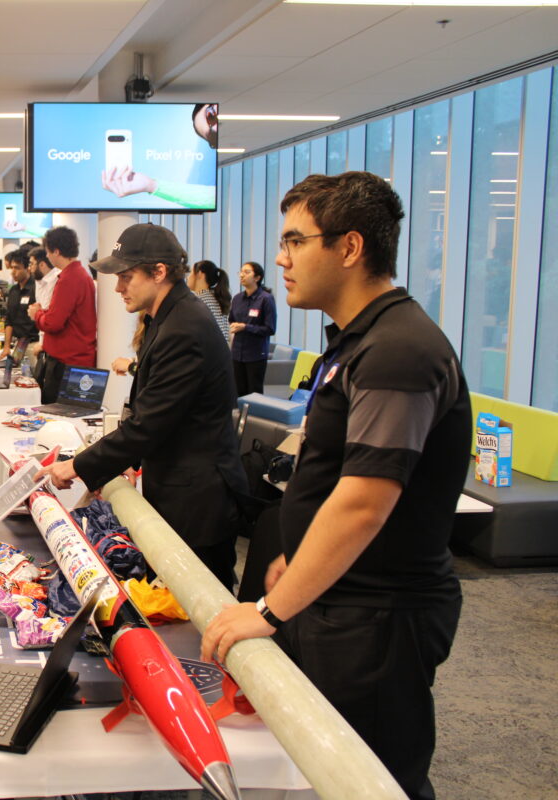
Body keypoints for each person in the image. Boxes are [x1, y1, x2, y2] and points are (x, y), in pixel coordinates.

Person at [202, 172, 471, 800]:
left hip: (378, 618)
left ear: (349, 248)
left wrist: (270, 610)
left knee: (371, 780)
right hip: (341, 600)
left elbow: (364, 503)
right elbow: (334, 478)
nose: (279, 258)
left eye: (296, 241)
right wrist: (300, 565)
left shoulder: (398, 350)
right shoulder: (359, 342)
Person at [37, 224, 247, 590]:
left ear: (159, 272)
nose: (117, 288)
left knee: (198, 607)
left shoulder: (185, 326)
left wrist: (79, 466)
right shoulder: (166, 318)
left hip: (199, 499)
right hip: (180, 484)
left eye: (126, 277)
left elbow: (149, 425)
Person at [28, 226, 97, 405]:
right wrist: (43, 312)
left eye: (48, 252)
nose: (48, 256)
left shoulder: (70, 278)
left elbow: (53, 323)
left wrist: (36, 315)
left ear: (56, 251)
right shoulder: (78, 275)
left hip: (67, 364)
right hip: (74, 360)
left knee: (61, 418)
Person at [229, 261, 276, 397]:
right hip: (237, 353)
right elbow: (232, 319)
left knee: (254, 392)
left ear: (257, 277)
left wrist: (246, 327)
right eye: (241, 272)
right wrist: (235, 326)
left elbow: (270, 329)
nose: (242, 275)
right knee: (238, 391)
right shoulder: (237, 298)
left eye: (247, 272)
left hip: (255, 354)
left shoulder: (266, 299)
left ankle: (253, 418)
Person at [0, 248, 38, 360]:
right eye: (12, 267)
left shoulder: (36, 289)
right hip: (18, 346)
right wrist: (6, 347)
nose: (13, 272)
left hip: (33, 344)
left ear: (27, 268)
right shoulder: (13, 291)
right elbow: (9, 320)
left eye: (17, 268)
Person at [190, 259, 230, 341]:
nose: (188, 277)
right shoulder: (217, 297)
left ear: (200, 274)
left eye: (190, 273)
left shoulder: (198, 300)